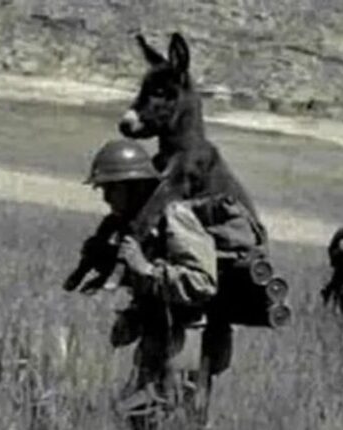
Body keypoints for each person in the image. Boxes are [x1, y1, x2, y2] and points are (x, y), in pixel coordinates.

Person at [69, 139, 232, 428]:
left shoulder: (175, 217)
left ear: (133, 186)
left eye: (111, 189)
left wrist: (145, 269)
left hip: (187, 342)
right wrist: (132, 316)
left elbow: (203, 283)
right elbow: (151, 291)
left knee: (169, 417)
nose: (106, 198)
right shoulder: (141, 225)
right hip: (158, 340)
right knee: (137, 419)